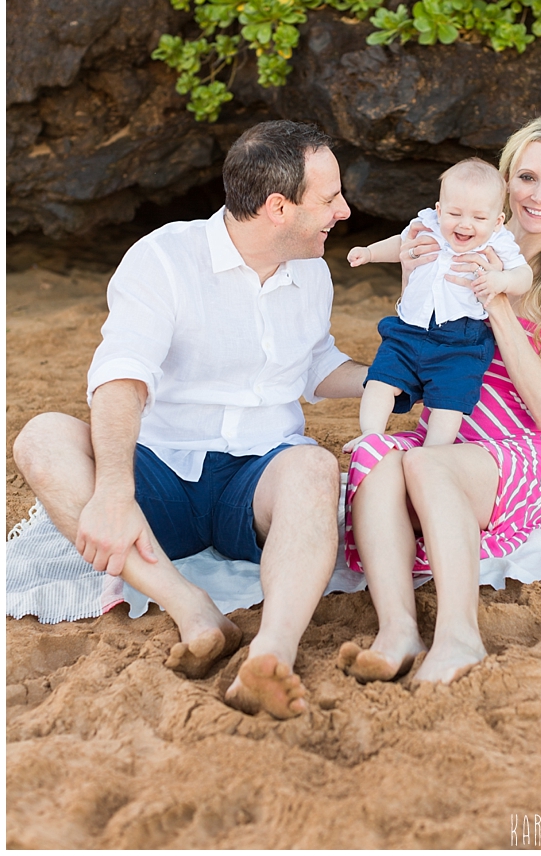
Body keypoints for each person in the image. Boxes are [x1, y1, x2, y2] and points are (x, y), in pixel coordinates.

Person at [12, 120, 367, 721]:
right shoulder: (164, 258)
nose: (344, 210)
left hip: (258, 477)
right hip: (160, 474)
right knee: (42, 437)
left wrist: (391, 380)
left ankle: (271, 655)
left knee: (313, 466)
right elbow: (121, 377)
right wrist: (116, 490)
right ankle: (192, 609)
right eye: (329, 198)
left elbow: (313, 363)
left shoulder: (311, 269)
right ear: (278, 208)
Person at [338, 116, 541, 687]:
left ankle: (459, 636)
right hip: (445, 429)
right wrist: (413, 279)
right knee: (375, 458)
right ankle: (398, 631)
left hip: (514, 449)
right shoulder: (446, 239)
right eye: (527, 177)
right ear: (504, 184)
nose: (540, 195)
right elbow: (421, 359)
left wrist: (498, 304)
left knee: (427, 463)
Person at [343, 159, 532, 451]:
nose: (465, 224)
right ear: (440, 210)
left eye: (479, 217)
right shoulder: (428, 225)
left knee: (449, 401)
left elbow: (524, 275)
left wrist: (502, 280)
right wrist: (369, 253)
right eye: (455, 213)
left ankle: (434, 452)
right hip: (409, 329)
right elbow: (400, 243)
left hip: (460, 339)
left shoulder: (498, 241)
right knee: (380, 379)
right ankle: (371, 434)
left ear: (497, 221)